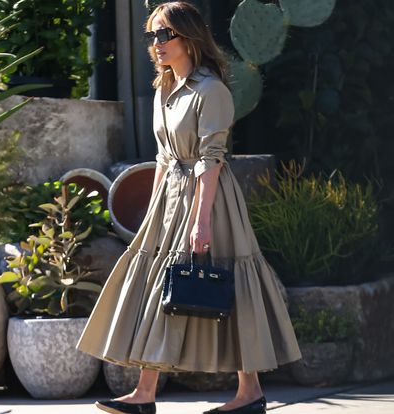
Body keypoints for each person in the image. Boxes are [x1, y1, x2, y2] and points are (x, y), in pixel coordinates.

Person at [76, 2, 302, 414]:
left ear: (189, 37)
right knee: (159, 287)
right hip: (171, 199)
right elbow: (164, 157)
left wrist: (201, 221)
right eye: (152, 36)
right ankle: (145, 393)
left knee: (228, 286)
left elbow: (210, 160)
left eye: (166, 35)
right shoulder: (164, 88)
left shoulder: (210, 90)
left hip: (208, 200)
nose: (157, 44)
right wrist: (153, 211)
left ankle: (249, 391)